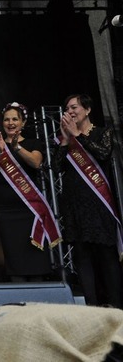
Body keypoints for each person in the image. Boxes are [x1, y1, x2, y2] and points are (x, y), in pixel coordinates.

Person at [51, 94, 121, 307]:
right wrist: (65, 140)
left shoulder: (102, 133)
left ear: (87, 109)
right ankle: (91, 309)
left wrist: (78, 136)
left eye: (74, 107)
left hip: (99, 206)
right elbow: (55, 167)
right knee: (82, 258)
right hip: (75, 208)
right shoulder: (66, 138)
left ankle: (117, 309)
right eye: (67, 108)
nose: (70, 111)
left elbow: (103, 153)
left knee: (107, 259)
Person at [0, 102, 61, 282]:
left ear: (23, 123)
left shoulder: (33, 143)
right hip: (6, 209)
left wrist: (17, 147)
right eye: (7, 120)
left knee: (34, 255)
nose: (10, 123)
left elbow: (36, 162)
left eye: (15, 119)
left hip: (29, 209)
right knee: (13, 255)